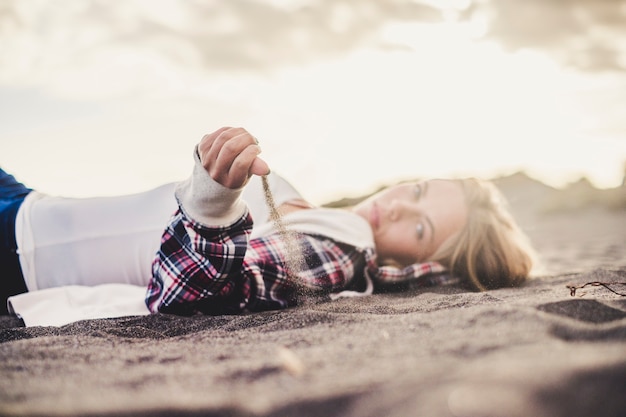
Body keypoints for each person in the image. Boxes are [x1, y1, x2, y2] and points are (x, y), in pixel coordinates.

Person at [0, 127, 535, 318]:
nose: (396, 206)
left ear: (420, 263)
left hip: (17, 250)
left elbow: (190, 294)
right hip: (28, 202)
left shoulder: (340, 251)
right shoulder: (323, 214)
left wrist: (210, 210)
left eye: (418, 227)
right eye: (416, 191)